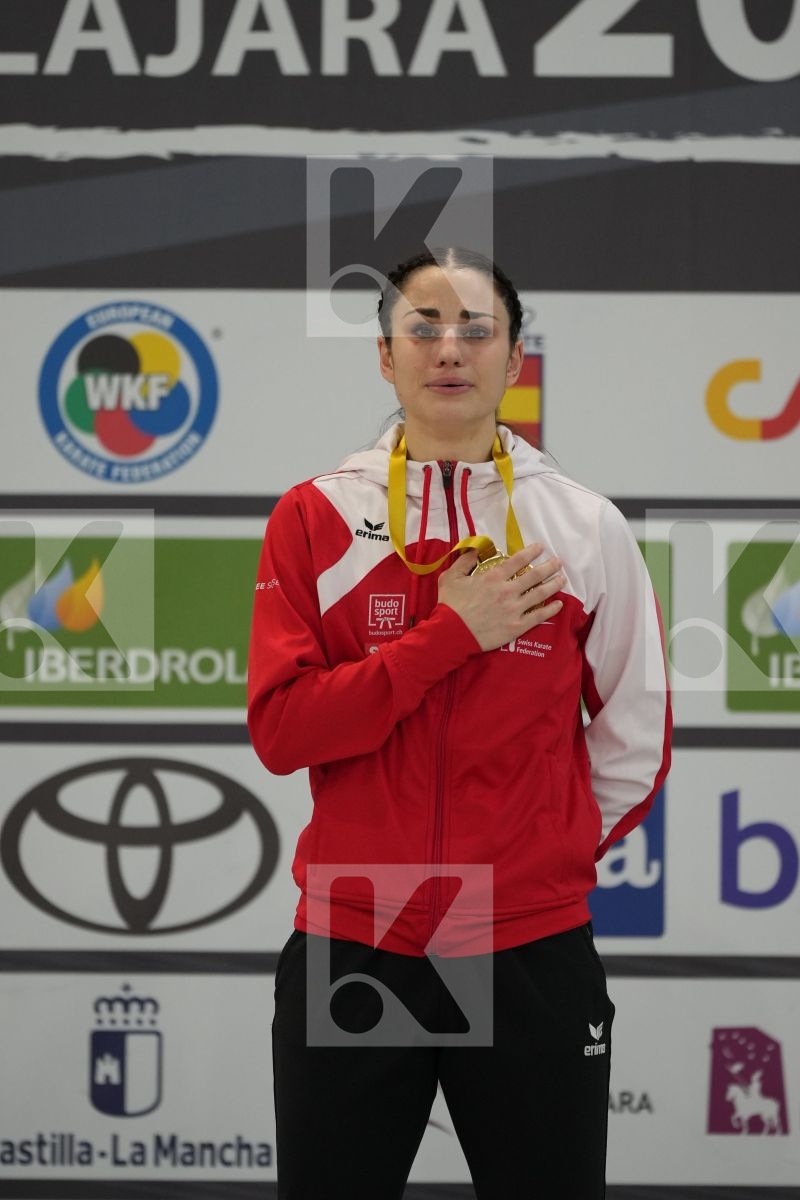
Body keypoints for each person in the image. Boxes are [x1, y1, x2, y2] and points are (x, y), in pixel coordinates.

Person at [248, 246, 671, 1199]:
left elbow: (634, 740)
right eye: (422, 328)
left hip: (527, 938)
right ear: (385, 358)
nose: (450, 349)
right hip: (357, 929)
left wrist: (534, 860)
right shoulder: (315, 517)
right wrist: (451, 637)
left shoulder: (584, 527)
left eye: (476, 330)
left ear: (515, 360)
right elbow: (283, 732)